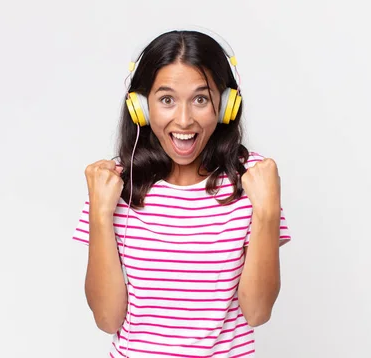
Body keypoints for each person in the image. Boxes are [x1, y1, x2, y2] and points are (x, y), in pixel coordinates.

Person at [72, 27, 292, 358]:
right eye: (167, 100)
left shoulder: (253, 179)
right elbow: (107, 318)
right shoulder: (113, 182)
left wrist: (267, 211)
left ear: (226, 105)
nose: (185, 119)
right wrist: (101, 215)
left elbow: (258, 311)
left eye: (201, 99)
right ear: (141, 108)